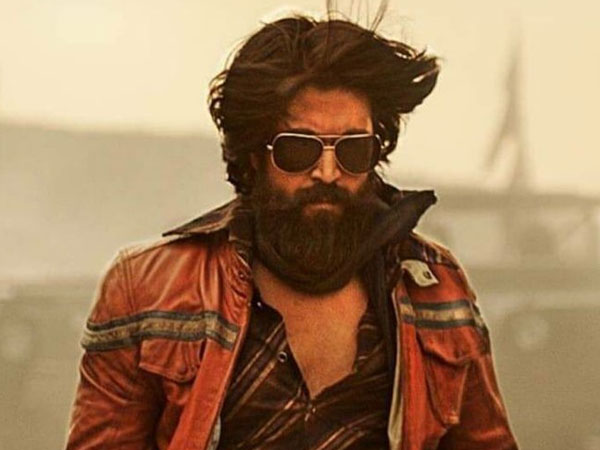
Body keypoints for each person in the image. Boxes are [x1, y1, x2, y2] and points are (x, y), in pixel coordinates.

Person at [67, 5, 518, 450]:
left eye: (352, 150)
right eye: (299, 149)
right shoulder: (146, 289)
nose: (327, 172)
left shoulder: (435, 287)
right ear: (254, 155)